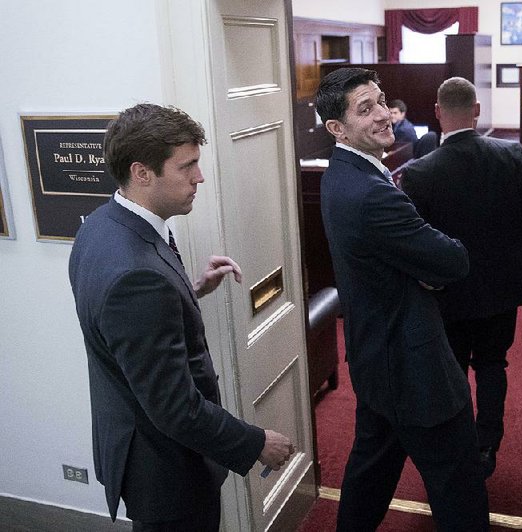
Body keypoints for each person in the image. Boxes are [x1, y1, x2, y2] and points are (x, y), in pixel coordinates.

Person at [68, 103, 294, 531]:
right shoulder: (137, 277)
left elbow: (127, 332)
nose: (200, 178)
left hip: (142, 451)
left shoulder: (100, 226)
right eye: (187, 166)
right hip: (166, 470)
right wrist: (255, 442)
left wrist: (190, 290)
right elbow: (174, 407)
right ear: (142, 172)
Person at [315, 68, 489, 531]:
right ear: (337, 128)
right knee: (460, 487)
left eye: (382, 101)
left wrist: (416, 267)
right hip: (415, 371)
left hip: (376, 355)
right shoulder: (372, 194)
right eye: (365, 108)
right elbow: (453, 261)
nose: (383, 115)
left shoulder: (340, 174)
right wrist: (425, 270)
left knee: (370, 472)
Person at [401, 77, 522, 478]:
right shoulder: (511, 155)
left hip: (447, 296)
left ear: (436, 112)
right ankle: (486, 445)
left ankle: (456, 446)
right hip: (501, 291)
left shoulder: (419, 172)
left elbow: (414, 242)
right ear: (477, 110)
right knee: (492, 365)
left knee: (452, 371)